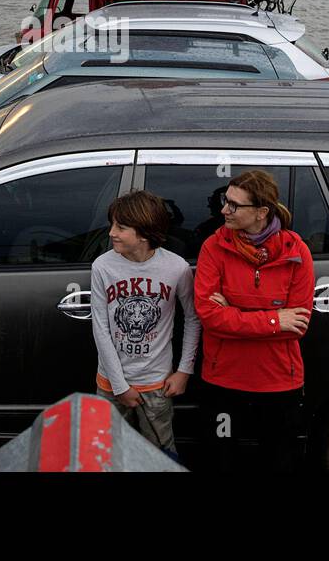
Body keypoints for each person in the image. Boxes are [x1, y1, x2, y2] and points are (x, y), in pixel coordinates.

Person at [193, 169, 315, 471]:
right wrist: (275, 320)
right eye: (225, 200)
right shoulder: (214, 246)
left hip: (278, 383)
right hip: (224, 381)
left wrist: (233, 312)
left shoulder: (296, 252)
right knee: (222, 461)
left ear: (261, 212)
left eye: (234, 205)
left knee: (277, 462)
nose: (224, 210)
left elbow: (297, 324)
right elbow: (210, 317)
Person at [91, 190, 201, 457]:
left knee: (159, 452)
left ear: (144, 233)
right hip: (111, 383)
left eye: (121, 227)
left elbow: (193, 317)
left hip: (157, 383)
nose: (111, 233)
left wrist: (184, 370)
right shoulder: (103, 266)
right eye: (112, 225)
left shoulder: (176, 268)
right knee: (109, 452)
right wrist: (120, 385)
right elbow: (101, 328)